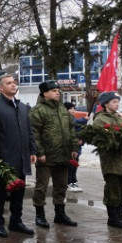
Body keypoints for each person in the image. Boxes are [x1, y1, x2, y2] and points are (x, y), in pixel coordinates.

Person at [0, 73, 37, 238]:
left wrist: (33, 150)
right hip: (3, 158)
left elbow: (29, 132)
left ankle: (16, 221)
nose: (13, 85)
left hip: (21, 157)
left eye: (14, 82)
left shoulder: (23, 108)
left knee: (19, 191)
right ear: (0, 88)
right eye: (9, 83)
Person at [29, 81, 80, 230]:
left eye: (58, 90)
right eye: (53, 90)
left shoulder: (63, 110)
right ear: (45, 93)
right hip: (46, 156)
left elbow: (72, 130)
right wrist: (40, 153)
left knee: (61, 185)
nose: (57, 93)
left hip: (63, 155)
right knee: (42, 186)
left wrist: (74, 147)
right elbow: (34, 134)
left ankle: (60, 214)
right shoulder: (37, 111)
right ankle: (40, 214)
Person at [93, 92, 122, 228]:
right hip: (111, 161)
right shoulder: (101, 120)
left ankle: (120, 215)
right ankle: (113, 217)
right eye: (114, 102)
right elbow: (105, 139)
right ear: (106, 104)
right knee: (113, 190)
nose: (117, 104)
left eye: (117, 101)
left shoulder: (120, 118)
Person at [64, 102, 87, 192]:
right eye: (71, 108)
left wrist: (81, 138)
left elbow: (80, 129)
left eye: (74, 108)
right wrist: (84, 120)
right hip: (69, 147)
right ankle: (68, 182)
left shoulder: (73, 118)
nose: (73, 110)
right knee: (70, 165)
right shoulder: (66, 119)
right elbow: (74, 126)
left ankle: (73, 181)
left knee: (75, 164)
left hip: (77, 147)